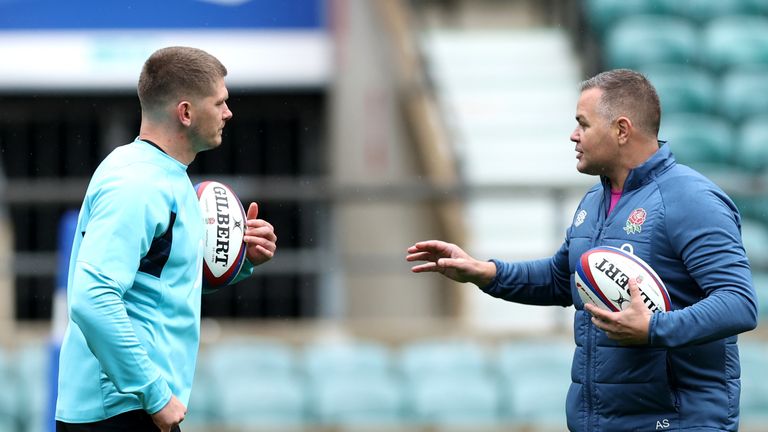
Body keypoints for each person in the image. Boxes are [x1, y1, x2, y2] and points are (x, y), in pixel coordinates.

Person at [407, 69, 758, 431]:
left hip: (679, 423)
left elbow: (739, 303)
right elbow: (564, 279)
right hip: (599, 422)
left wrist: (654, 327)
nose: (574, 136)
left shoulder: (691, 199)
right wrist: (487, 273)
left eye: (583, 124)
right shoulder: (594, 201)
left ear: (622, 130)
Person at [55, 46, 277, 432]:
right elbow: (91, 299)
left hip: (135, 406)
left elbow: (160, 287)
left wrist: (241, 259)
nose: (229, 113)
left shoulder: (167, 176)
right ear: (186, 112)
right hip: (119, 409)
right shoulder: (137, 183)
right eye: (220, 102)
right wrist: (155, 393)